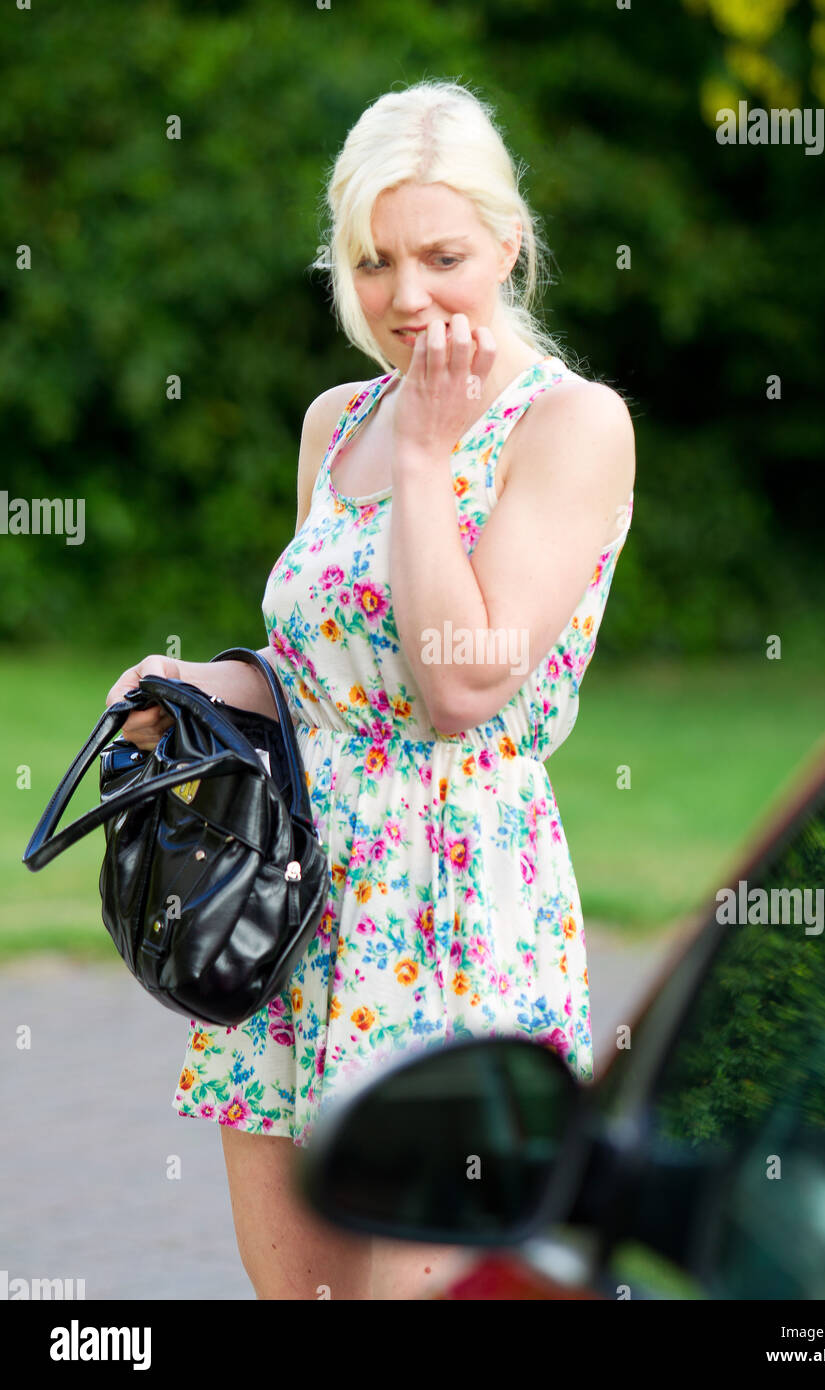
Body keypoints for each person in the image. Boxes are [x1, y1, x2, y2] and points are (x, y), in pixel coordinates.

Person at [106, 77, 636, 1300]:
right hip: (292, 907)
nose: (406, 296)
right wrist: (194, 686)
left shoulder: (571, 425)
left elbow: (459, 691)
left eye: (442, 255)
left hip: (450, 915)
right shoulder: (337, 419)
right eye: (374, 259)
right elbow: (311, 680)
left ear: (508, 241)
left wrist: (429, 458)